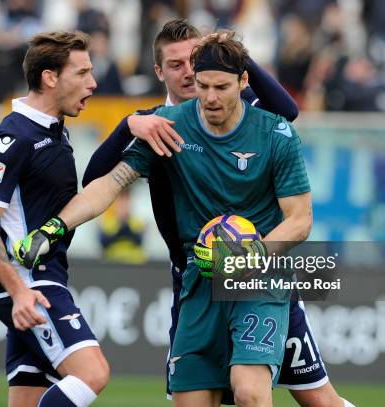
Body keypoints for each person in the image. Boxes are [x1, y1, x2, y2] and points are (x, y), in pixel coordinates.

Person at [14, 31, 312, 406]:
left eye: (221, 87)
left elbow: (299, 220)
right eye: (203, 86)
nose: (210, 98)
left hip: (257, 279)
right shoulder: (170, 125)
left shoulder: (276, 133)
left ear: (243, 82)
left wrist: (250, 257)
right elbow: (109, 184)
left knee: (251, 391)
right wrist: (55, 227)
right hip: (197, 281)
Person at [82, 19, 353, 407]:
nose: (189, 72)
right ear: (159, 71)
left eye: (194, 60)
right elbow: (98, 180)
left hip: (258, 273)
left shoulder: (239, 107)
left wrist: (234, 53)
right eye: (175, 65)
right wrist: (128, 126)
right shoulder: (156, 123)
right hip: (195, 277)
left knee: (313, 398)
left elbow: (288, 112)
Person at [0, 31, 109, 407]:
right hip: (31, 286)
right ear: (50, 78)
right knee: (93, 373)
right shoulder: (13, 138)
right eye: (81, 73)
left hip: (37, 284)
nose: (92, 83)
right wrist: (19, 292)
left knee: (27, 400)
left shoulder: (53, 131)